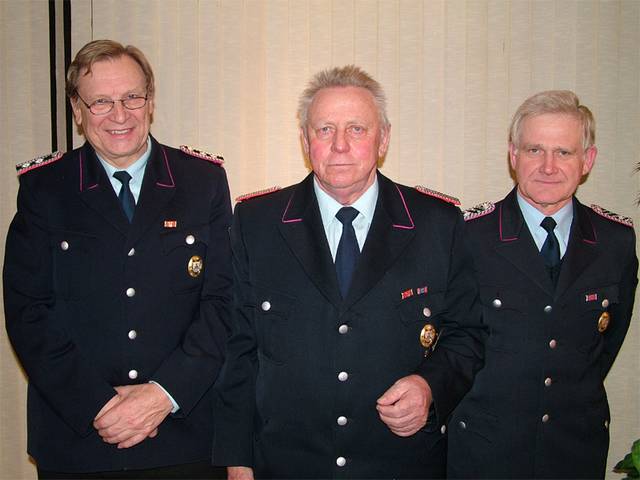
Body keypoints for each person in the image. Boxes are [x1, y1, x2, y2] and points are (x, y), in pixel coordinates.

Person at [212, 65, 484, 479]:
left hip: (399, 463)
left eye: (357, 129)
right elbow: (238, 349)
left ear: (383, 138)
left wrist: (430, 386)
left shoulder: (437, 224)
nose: (340, 145)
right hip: (288, 464)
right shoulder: (257, 223)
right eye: (325, 130)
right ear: (305, 140)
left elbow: (468, 334)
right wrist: (238, 460)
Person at [3, 39, 232, 478]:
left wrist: (163, 395)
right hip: (80, 439)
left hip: (183, 437)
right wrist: (99, 405)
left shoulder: (202, 182)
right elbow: (28, 311)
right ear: (77, 109)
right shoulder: (45, 189)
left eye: (131, 97)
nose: (119, 115)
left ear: (151, 100)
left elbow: (223, 302)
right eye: (101, 102)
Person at [448, 90, 638, 479]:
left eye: (564, 152)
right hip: (485, 451)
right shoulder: (469, 237)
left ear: (587, 160)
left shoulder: (615, 241)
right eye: (535, 150)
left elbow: (604, 344)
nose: (548, 167)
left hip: (575, 450)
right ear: (513, 155)